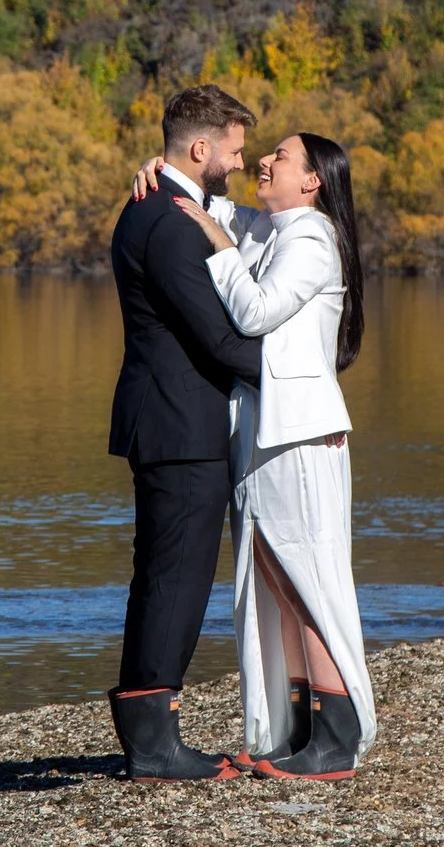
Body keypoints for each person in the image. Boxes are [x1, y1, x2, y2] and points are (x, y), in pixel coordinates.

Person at [136, 131, 374, 780]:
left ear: (312, 181)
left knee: (305, 576)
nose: (263, 162)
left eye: (280, 157)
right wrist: (156, 168)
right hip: (267, 431)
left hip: (300, 434)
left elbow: (257, 313)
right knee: (274, 576)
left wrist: (219, 251)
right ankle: (301, 727)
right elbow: (201, 203)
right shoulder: (269, 226)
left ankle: (337, 733)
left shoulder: (313, 239)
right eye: (264, 153)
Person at [105, 85, 264, 781]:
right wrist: (307, 377)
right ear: (199, 148)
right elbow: (222, 340)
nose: (237, 161)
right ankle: (154, 747)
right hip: (178, 424)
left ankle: (152, 736)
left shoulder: (158, 205)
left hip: (169, 419)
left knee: (163, 575)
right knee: (175, 579)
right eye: (232, 149)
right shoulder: (169, 223)